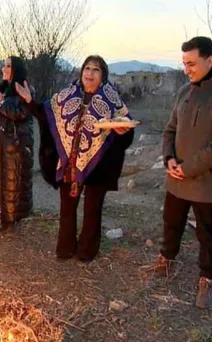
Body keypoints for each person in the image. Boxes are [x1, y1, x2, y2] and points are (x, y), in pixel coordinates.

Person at [149, 36, 212, 309]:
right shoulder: (185, 92)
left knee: (208, 232)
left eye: (191, 63)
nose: (186, 69)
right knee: (171, 223)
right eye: (184, 63)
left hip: (209, 181)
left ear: (210, 60)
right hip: (177, 176)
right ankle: (166, 259)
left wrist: (188, 168)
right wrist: (169, 158)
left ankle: (207, 279)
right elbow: (170, 130)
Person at [14, 55, 135, 262]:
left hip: (99, 163)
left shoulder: (112, 100)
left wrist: (123, 131)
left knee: (92, 210)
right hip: (69, 162)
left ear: (103, 76)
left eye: (96, 69)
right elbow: (46, 114)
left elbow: (127, 129)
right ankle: (65, 249)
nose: (90, 73)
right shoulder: (67, 95)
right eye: (87, 68)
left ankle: (87, 252)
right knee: (67, 209)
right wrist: (29, 101)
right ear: (81, 72)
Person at [0, 56, 34, 233]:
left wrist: (1, 104)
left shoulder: (26, 90)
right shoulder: (3, 89)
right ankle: (3, 218)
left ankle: (13, 220)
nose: (3, 69)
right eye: (3, 65)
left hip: (16, 146)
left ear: (16, 69)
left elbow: (21, 114)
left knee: (14, 183)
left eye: (8, 66)